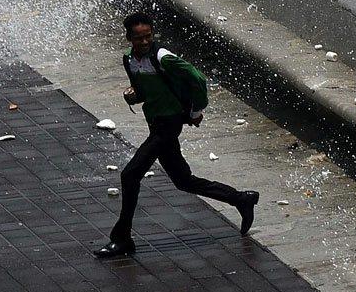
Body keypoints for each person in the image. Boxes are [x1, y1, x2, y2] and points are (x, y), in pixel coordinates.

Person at [94, 13, 259, 258]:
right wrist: (132, 96)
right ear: (129, 38)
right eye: (139, 38)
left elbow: (198, 79)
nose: (144, 42)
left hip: (168, 124)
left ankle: (122, 238)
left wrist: (195, 111)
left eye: (148, 36)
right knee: (183, 181)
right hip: (156, 122)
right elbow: (143, 93)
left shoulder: (163, 57)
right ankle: (240, 199)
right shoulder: (129, 60)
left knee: (130, 176)